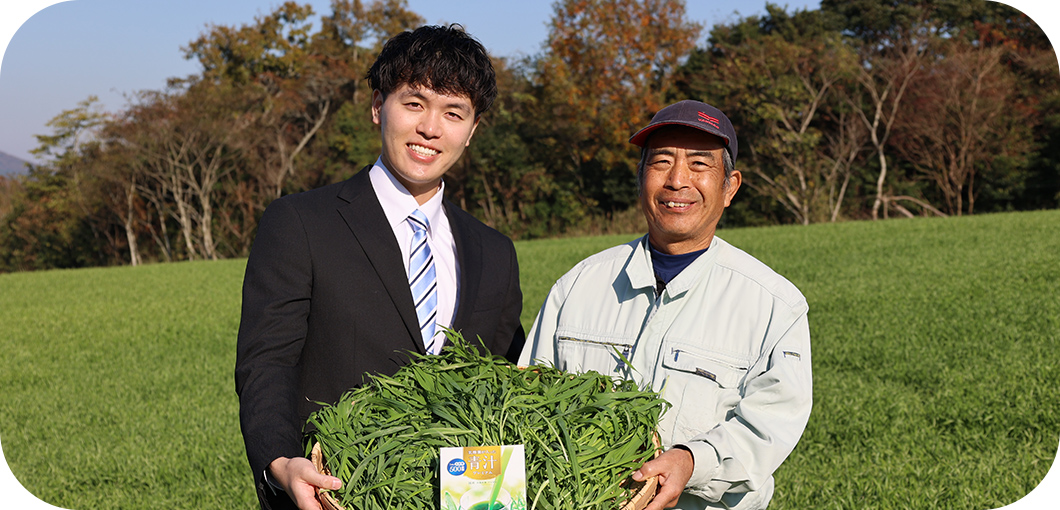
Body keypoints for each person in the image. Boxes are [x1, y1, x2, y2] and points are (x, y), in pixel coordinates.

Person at [236, 25, 525, 510]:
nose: (431, 128)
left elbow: (506, 382)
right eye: (414, 103)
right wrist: (281, 462)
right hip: (334, 495)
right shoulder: (301, 223)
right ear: (378, 106)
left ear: (472, 130)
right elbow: (267, 362)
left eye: (453, 113)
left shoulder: (494, 251)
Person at [518, 100, 812, 510]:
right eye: (661, 162)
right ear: (640, 179)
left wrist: (693, 461)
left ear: (730, 187)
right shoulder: (579, 286)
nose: (677, 180)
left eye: (699, 164)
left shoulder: (773, 305)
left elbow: (769, 426)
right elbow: (527, 401)